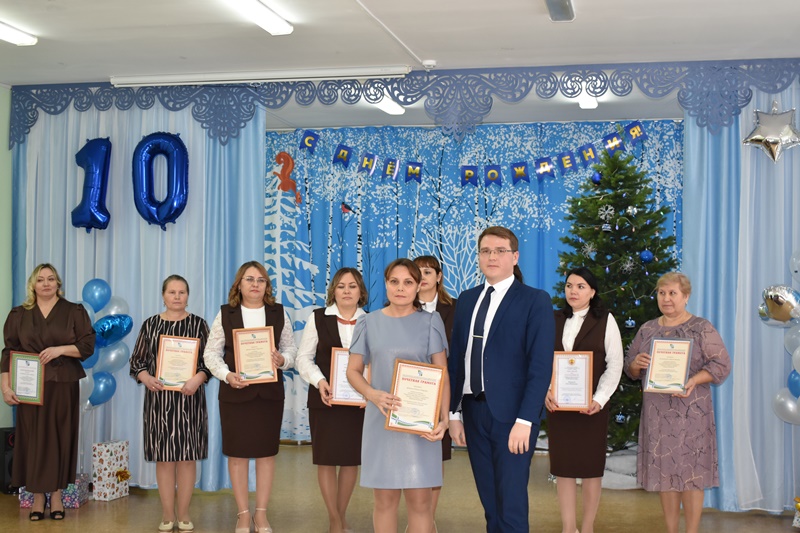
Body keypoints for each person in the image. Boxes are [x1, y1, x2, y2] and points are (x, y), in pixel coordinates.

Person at [448, 226, 555, 533]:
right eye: (485, 251)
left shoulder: (535, 300)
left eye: (499, 251)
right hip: (473, 412)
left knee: (511, 505)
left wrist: (526, 420)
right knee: (490, 503)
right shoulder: (466, 300)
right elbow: (457, 360)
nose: (491, 257)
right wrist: (454, 414)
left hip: (513, 417)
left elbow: (540, 367)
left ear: (515, 257)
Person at [347, 258, 449, 533]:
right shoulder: (368, 322)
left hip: (420, 426)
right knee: (384, 501)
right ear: (386, 284)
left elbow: (442, 374)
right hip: (381, 423)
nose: (400, 288)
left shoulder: (431, 322)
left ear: (418, 286)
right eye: (394, 281)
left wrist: (444, 420)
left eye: (408, 282)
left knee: (421, 503)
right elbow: (353, 371)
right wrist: (372, 394)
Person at [623, 272, 731, 533]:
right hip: (658, 415)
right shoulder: (647, 329)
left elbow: (721, 364)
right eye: (662, 293)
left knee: (692, 476)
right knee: (666, 474)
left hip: (692, 414)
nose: (666, 298)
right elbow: (629, 368)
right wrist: (636, 364)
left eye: (673, 293)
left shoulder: (702, 328)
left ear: (686, 296)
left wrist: (694, 380)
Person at [203, 261, 297, 533]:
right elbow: (211, 354)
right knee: (237, 455)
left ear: (267, 286)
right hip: (235, 394)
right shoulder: (226, 313)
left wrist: (283, 360)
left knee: (266, 454)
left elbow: (291, 349)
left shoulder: (279, 313)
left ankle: (261, 514)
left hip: (269, 396)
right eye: (249, 279)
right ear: (239, 285)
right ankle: (243, 514)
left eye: (261, 280)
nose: (255, 284)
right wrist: (226, 375)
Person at [1, 264, 95, 521]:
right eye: (40, 279)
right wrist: (5, 387)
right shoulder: (18, 314)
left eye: (51, 279)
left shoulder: (74, 311)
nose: (46, 283)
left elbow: (87, 346)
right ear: (33, 285)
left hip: (62, 384)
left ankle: (56, 496)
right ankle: (37, 497)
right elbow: (8, 352)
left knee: (59, 438)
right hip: (28, 387)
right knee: (33, 440)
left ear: (58, 284)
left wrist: (60, 349)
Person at [129, 274, 210, 533]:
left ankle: (183, 514)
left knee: (187, 459)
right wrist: (146, 377)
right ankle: (167, 514)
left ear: (188, 296)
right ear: (163, 296)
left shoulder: (199, 324)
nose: (177, 297)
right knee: (164, 460)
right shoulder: (151, 324)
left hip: (190, 400)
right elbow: (137, 362)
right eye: (172, 292)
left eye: (182, 292)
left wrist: (198, 378)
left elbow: (210, 362)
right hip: (159, 402)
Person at [545, 267, 623, 533]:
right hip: (559, 407)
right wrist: (546, 390)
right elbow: (541, 359)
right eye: (569, 286)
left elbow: (615, 364)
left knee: (591, 469)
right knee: (563, 468)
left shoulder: (605, 320)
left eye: (580, 286)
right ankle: (568, 527)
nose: (573, 291)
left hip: (592, 409)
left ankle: (587, 527)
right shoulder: (553, 319)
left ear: (592, 292)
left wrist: (599, 399)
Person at [296, 267, 368, 533]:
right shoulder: (318, 318)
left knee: (350, 460)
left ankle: (341, 515)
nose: (347, 291)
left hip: (358, 402)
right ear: (333, 291)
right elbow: (304, 358)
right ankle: (334, 520)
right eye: (341, 286)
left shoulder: (372, 321)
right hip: (324, 399)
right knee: (326, 459)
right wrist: (320, 381)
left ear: (361, 292)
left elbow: (376, 360)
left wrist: (369, 390)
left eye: (352, 286)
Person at [413, 255, 456, 529]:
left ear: (439, 276)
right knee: (411, 456)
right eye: (417, 272)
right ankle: (416, 517)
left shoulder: (456, 309)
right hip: (410, 392)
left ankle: (428, 519)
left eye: (428, 272)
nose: (422, 277)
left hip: (442, 391)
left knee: (435, 456)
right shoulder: (399, 307)